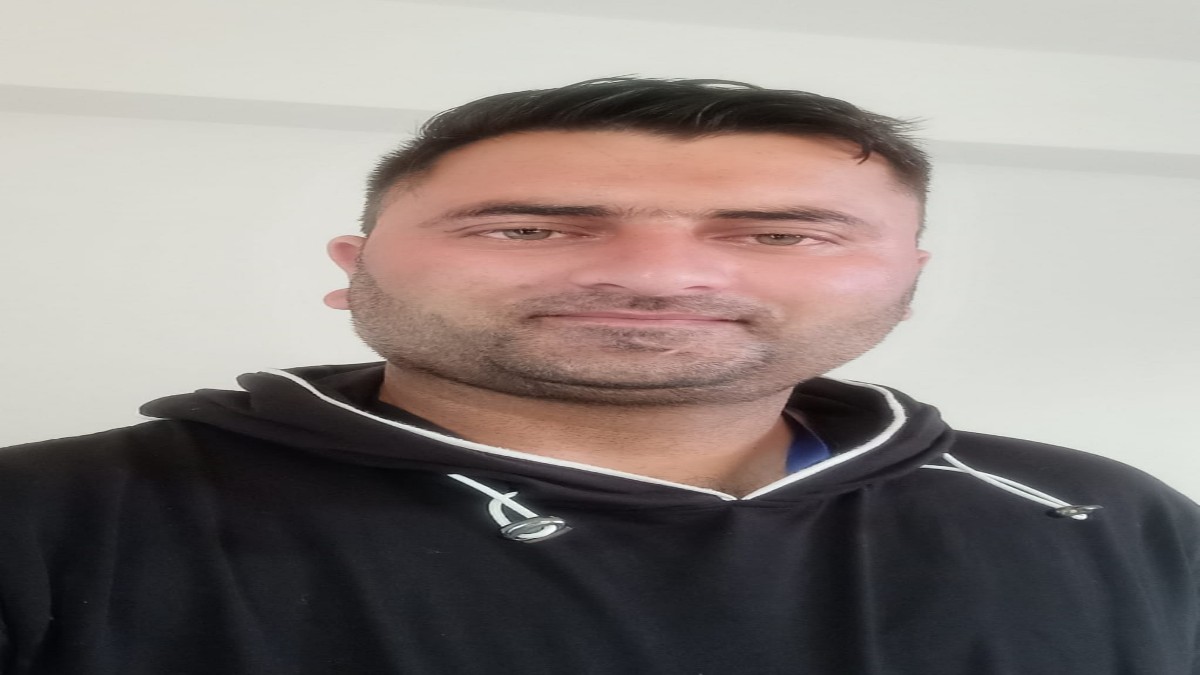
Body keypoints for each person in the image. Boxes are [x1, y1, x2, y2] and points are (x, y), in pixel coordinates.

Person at [0, 77, 1196, 675]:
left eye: (780, 234)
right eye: (528, 227)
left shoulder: (1108, 514)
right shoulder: (45, 520)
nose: (657, 276)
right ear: (354, 270)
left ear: (905, 280)